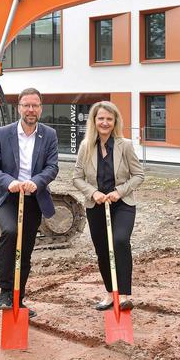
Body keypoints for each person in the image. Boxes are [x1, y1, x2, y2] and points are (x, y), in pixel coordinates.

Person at [0, 88, 59, 318]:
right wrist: (9, 182)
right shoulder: (0, 133)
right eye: (26, 105)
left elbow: (52, 167)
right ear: (19, 108)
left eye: (35, 105)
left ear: (40, 108)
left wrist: (36, 182)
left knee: (25, 249)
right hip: (8, 196)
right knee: (10, 231)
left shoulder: (49, 134)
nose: (31, 110)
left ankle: (18, 298)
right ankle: (5, 292)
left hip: (34, 197)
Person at [73, 101, 144, 310]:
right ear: (94, 121)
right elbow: (77, 178)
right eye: (101, 118)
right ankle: (110, 293)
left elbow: (138, 175)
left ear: (115, 122)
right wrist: (93, 193)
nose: (105, 122)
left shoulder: (126, 145)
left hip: (122, 204)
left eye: (109, 119)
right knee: (103, 250)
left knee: (120, 241)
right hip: (96, 206)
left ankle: (123, 295)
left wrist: (118, 192)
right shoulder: (86, 146)